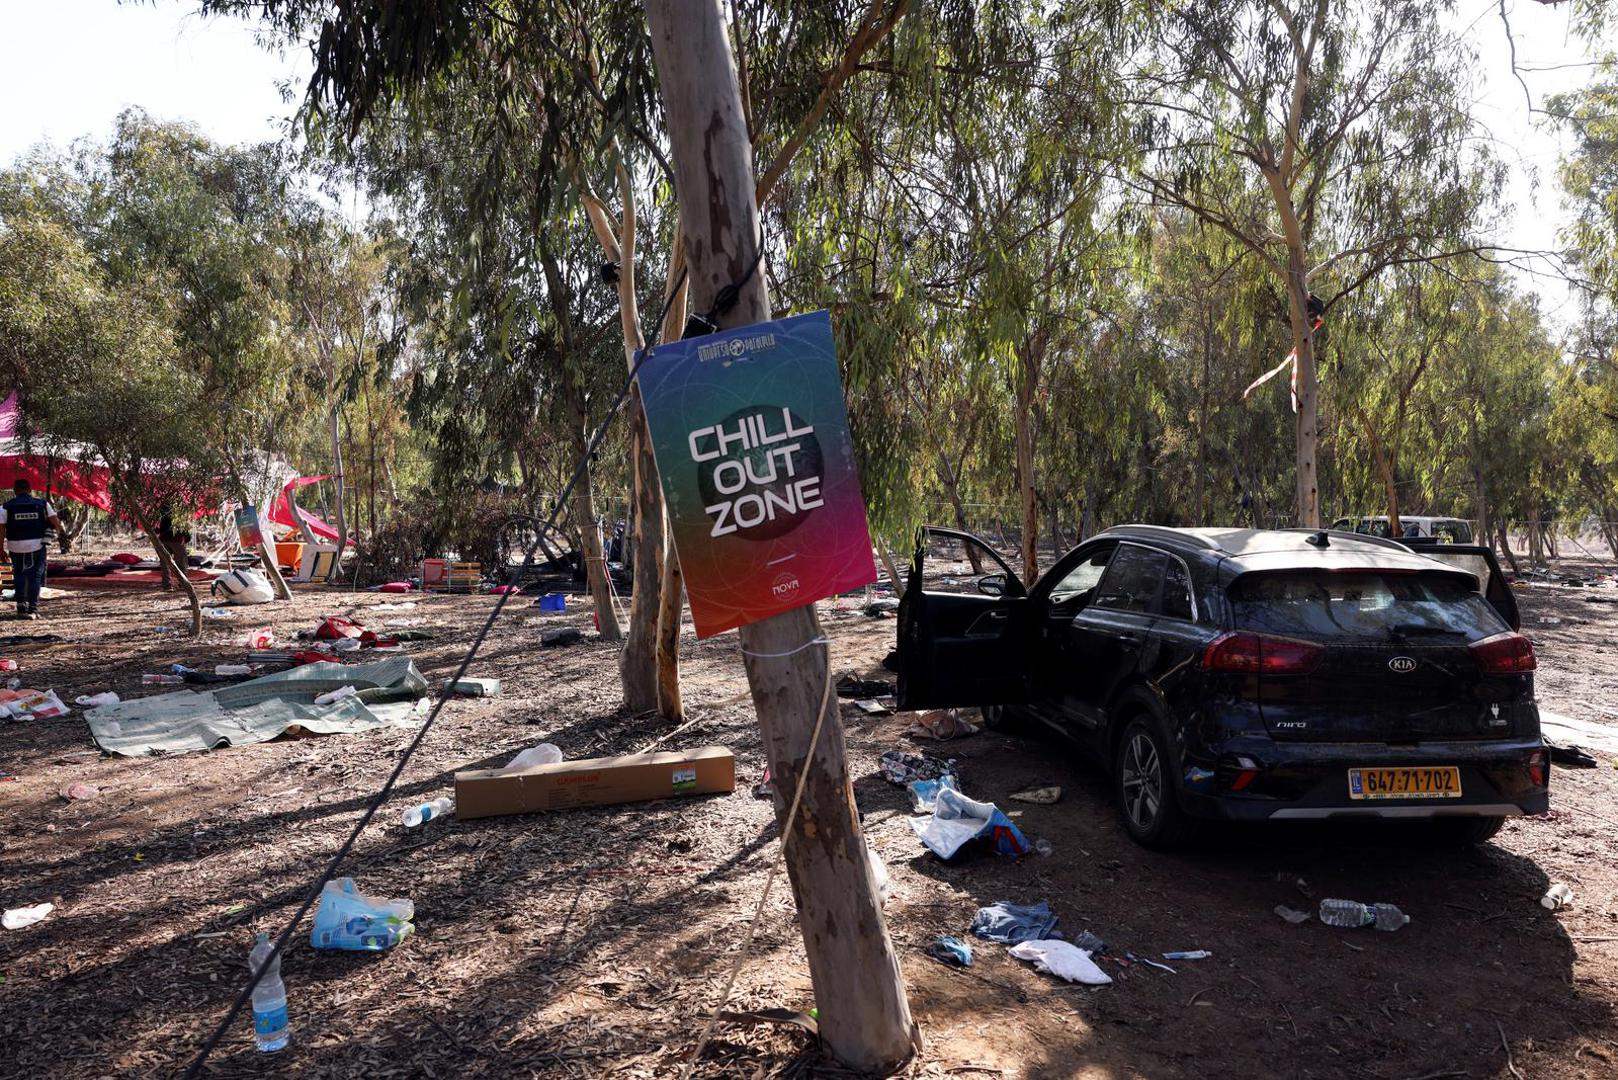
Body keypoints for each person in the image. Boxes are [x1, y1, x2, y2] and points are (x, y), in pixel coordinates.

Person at [0, 479, 70, 619]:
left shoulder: (5, 507)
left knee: (19, 574)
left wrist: (0, 549)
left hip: (15, 545)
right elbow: (56, 522)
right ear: (30, 490)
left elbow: (1, 530)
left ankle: (21, 607)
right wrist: (57, 537)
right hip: (37, 545)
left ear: (15, 491)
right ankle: (33, 609)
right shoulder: (42, 504)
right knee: (35, 576)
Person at [157, 509, 192, 591]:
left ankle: (167, 585)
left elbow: (157, 529)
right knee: (181, 563)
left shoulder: (161, 513)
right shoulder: (178, 511)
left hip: (164, 540)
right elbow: (184, 528)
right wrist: (186, 539)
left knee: (165, 563)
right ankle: (183, 584)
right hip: (177, 540)